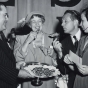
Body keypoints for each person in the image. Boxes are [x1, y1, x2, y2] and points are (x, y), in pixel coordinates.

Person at [14, 12, 56, 88]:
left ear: (42, 23)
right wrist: (27, 41)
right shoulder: (20, 38)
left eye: (39, 21)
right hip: (29, 82)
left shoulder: (51, 38)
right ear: (29, 24)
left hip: (48, 83)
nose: (37, 24)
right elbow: (17, 59)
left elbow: (58, 61)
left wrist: (53, 54)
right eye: (33, 21)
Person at [0, 3, 36, 88]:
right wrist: (18, 73)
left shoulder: (1, 35)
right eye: (5, 15)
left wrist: (15, 65)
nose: (7, 19)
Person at [48, 10, 83, 88]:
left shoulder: (86, 37)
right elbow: (63, 71)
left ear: (75, 22)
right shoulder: (63, 42)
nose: (62, 24)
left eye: (65, 21)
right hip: (73, 84)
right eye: (62, 21)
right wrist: (60, 53)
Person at [64, 7, 88, 88]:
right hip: (78, 83)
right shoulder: (83, 40)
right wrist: (69, 61)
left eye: (83, 21)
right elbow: (77, 66)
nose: (80, 24)